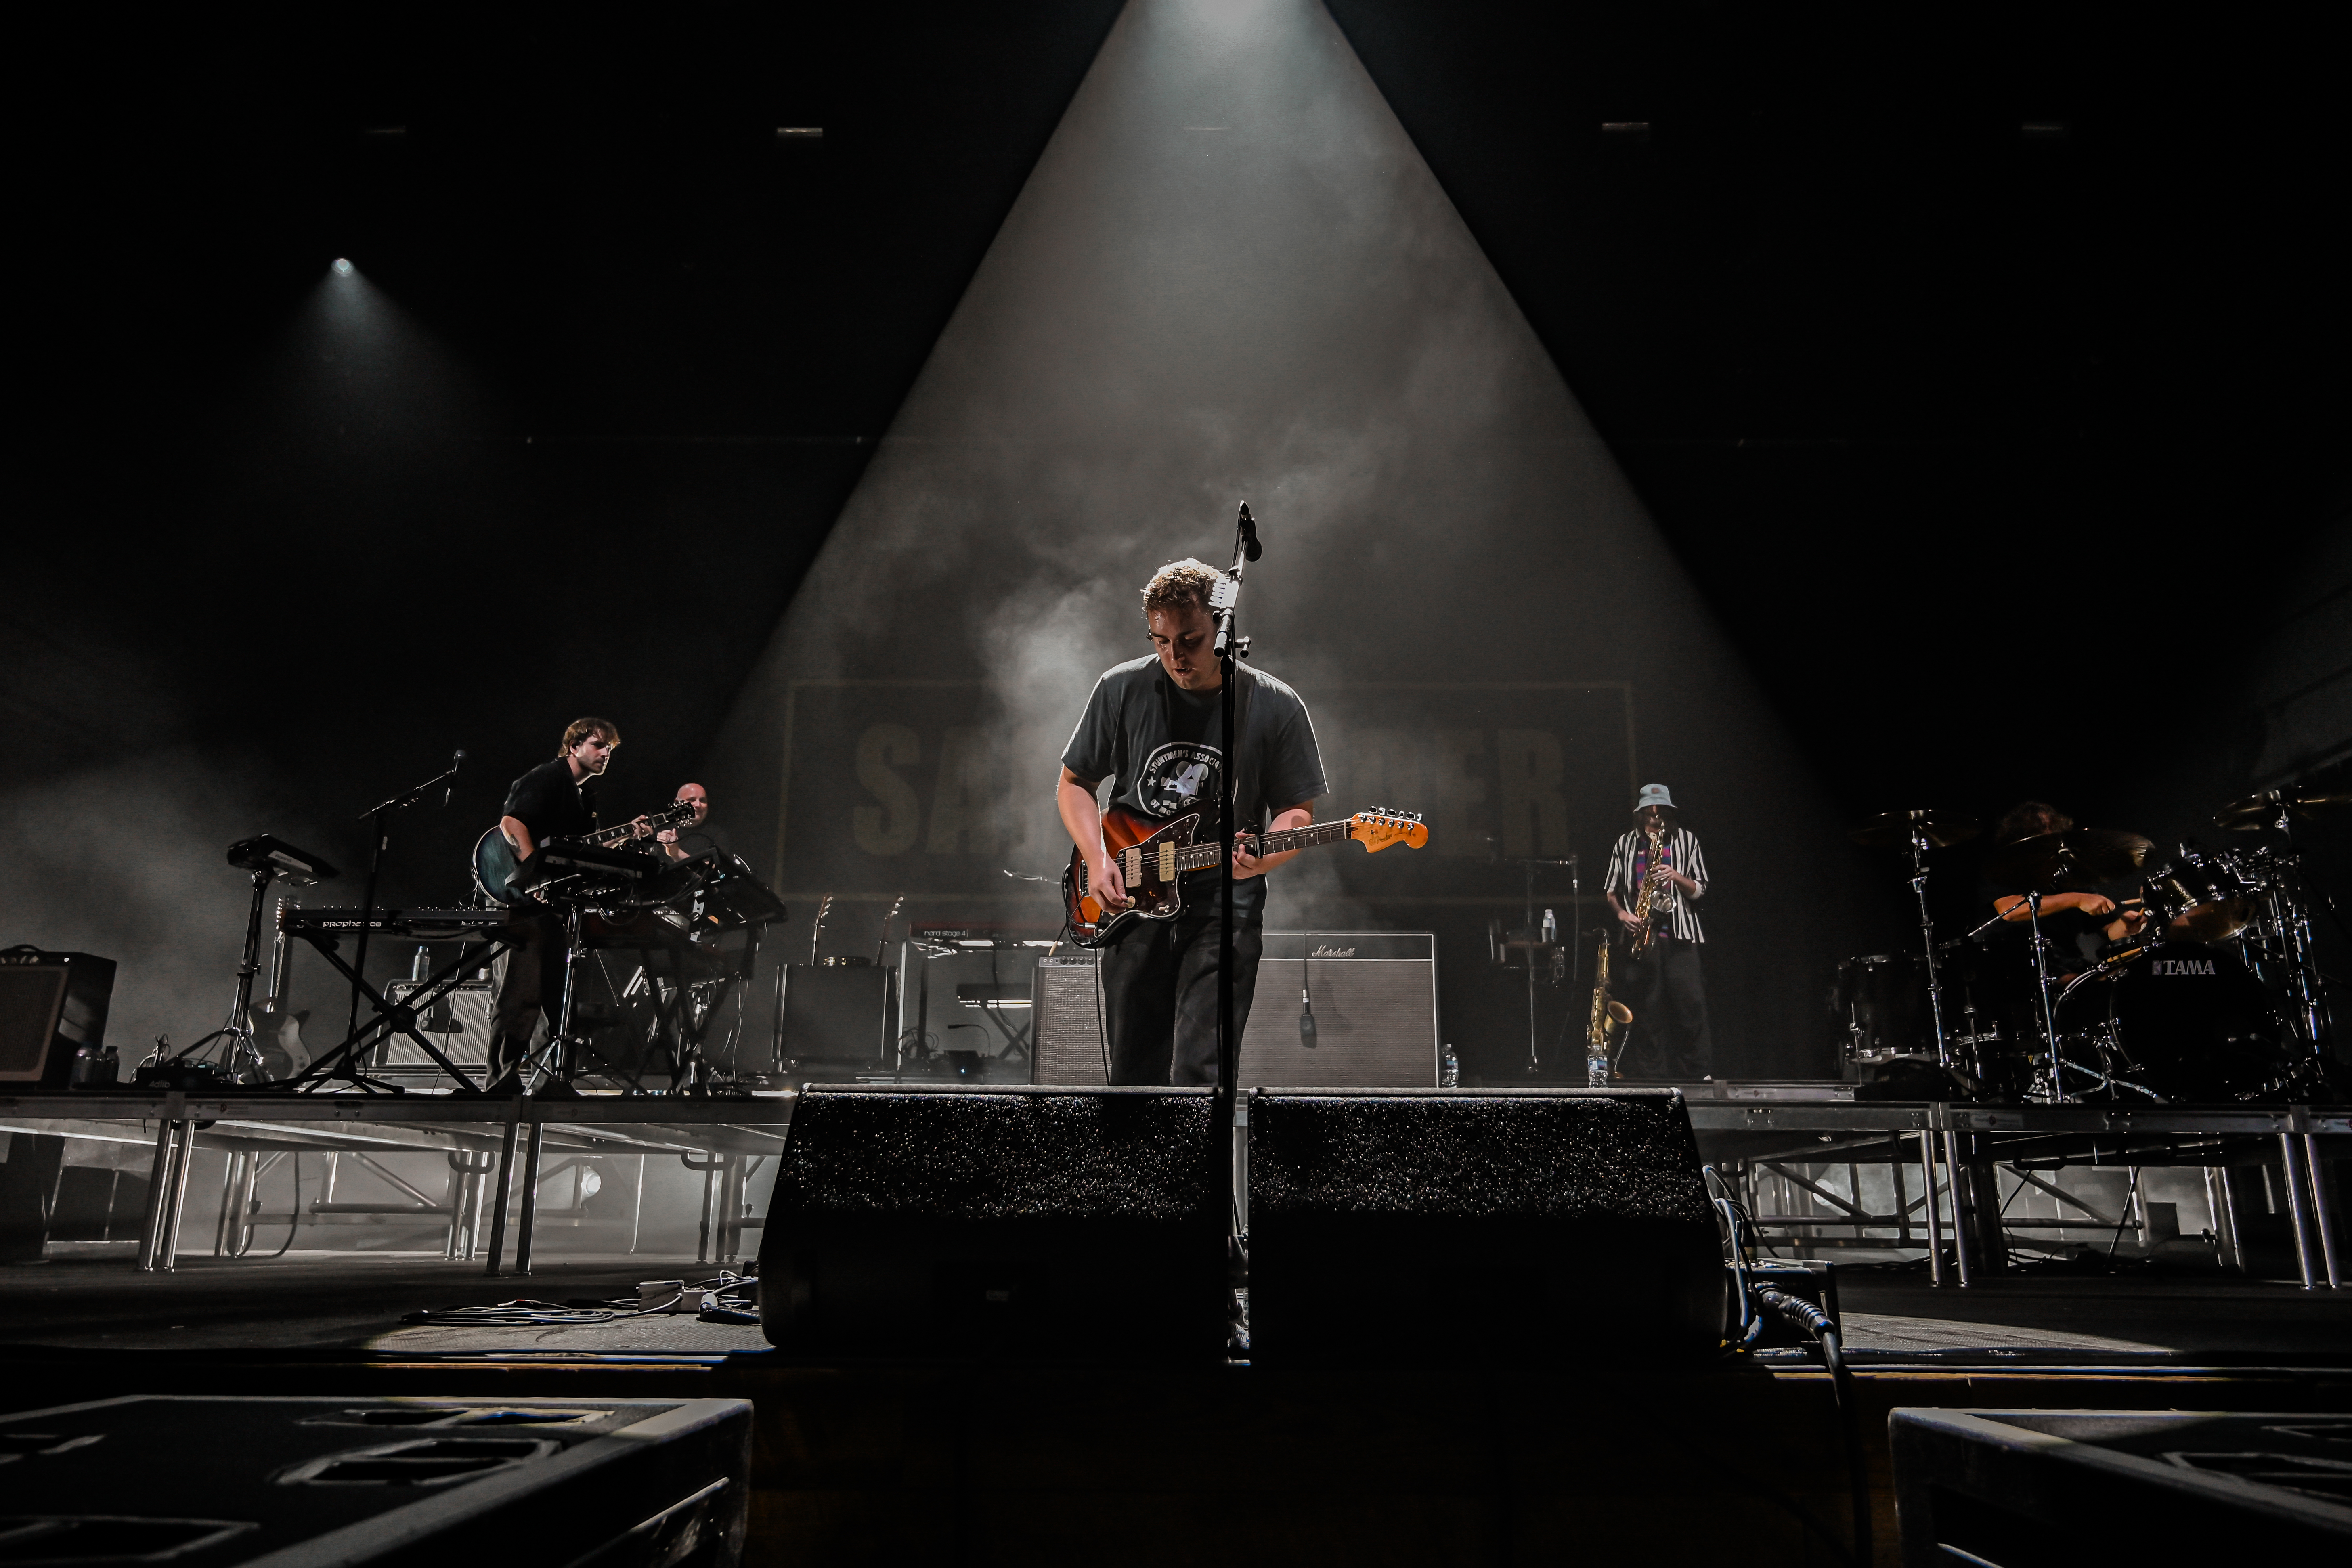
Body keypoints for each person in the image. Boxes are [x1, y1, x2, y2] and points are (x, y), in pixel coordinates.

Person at [1056, 558, 1327, 1086]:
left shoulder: (1274, 705)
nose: (1174, 656)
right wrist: (1097, 859)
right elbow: (1073, 783)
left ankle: (1200, 1171)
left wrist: (1266, 855)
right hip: (1133, 902)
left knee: (1200, 1072)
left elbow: (1297, 810)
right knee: (1133, 1077)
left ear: (1221, 629)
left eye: (1190, 640)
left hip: (1223, 907)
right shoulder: (1120, 689)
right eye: (1160, 641)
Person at [488, 717, 647, 1088]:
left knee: (556, 1002)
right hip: (520, 904)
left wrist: (627, 837)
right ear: (574, 746)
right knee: (518, 996)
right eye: (598, 745)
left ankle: (550, 1085)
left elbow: (582, 852)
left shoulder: (585, 797)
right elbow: (512, 824)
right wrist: (535, 875)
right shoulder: (548, 777)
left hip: (555, 908)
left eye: (610, 748)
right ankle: (501, 1084)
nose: (606, 753)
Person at [1603, 784, 1713, 1080]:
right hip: (1642, 938)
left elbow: (1700, 890)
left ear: (1669, 813)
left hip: (1680, 936)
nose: (1655, 817)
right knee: (1648, 1013)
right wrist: (1624, 914)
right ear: (1640, 815)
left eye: (1660, 811)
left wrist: (1676, 876)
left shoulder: (1688, 842)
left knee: (1691, 1007)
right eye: (1650, 812)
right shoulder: (1625, 844)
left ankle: (1698, 1074)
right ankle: (1653, 1079)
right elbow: (1611, 892)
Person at [1983, 801, 2148, 957]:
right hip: (2019, 970)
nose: (2049, 835)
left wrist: (2126, 927)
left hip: (2072, 968)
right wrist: (2077, 899)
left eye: (2052, 830)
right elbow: (2010, 911)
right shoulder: (2004, 872)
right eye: (2038, 832)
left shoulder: (2072, 878)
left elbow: (2110, 933)